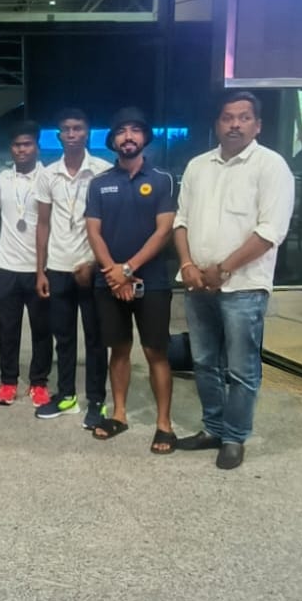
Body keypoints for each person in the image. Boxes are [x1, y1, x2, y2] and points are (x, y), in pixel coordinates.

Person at [174, 91, 295, 469]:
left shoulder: (271, 166)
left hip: (244, 286)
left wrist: (223, 268)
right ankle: (212, 427)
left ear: (258, 125)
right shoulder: (198, 166)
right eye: (227, 117)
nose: (235, 125)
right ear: (217, 124)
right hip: (198, 284)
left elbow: (271, 231)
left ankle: (234, 436)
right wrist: (187, 264)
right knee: (204, 361)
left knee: (242, 368)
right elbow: (181, 221)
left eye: (244, 118)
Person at [84, 108, 177, 454]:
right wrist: (114, 272)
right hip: (109, 282)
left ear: (144, 137)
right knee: (119, 349)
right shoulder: (99, 183)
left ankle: (164, 425)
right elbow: (93, 232)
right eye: (121, 131)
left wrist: (128, 268)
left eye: (135, 130)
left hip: (152, 281)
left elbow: (164, 230)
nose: (128, 136)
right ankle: (119, 414)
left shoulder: (163, 179)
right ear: (113, 140)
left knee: (155, 351)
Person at [34, 108, 111, 427]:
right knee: (63, 338)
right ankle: (66, 396)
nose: (72, 134)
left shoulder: (104, 172)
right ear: (58, 135)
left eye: (78, 128)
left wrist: (96, 263)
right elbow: (43, 224)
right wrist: (41, 271)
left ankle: (97, 401)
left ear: (87, 132)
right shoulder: (47, 174)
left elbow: (110, 226)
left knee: (96, 339)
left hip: (91, 269)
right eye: (66, 129)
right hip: (58, 267)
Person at [0, 121, 52, 406]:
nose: (22, 149)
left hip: (38, 268)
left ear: (37, 147)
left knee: (42, 329)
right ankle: (8, 381)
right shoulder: (2, 179)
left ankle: (39, 382)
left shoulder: (48, 178)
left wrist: (43, 268)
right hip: (6, 267)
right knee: (8, 329)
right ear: (11, 149)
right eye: (17, 145)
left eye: (27, 144)